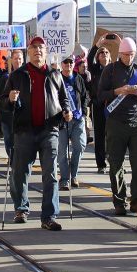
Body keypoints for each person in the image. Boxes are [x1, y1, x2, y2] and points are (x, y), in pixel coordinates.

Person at [5, 36, 72, 231]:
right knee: (20, 173)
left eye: (41, 48)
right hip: (24, 130)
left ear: (46, 51)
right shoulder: (17, 75)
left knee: (50, 173)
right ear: (29, 52)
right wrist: (9, 99)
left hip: (49, 129)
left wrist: (67, 112)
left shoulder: (55, 74)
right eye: (34, 48)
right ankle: (21, 208)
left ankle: (49, 216)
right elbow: (3, 103)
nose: (38, 51)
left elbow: (64, 99)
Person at [97, 37, 137, 216]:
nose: (129, 58)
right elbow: (99, 94)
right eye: (126, 55)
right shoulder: (110, 70)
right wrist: (117, 92)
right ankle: (119, 201)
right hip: (115, 122)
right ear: (119, 53)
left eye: (132, 55)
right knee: (116, 163)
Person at [58, 55, 89, 190]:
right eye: (66, 62)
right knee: (62, 151)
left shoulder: (78, 78)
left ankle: (73, 174)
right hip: (62, 120)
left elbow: (85, 96)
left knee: (80, 146)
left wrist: (84, 110)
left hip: (77, 119)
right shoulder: (56, 78)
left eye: (71, 62)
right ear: (61, 64)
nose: (68, 65)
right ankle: (65, 179)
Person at [87, 38, 115, 173]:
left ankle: (114, 161)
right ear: (98, 57)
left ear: (110, 56)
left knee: (113, 135)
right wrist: (97, 45)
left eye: (106, 52)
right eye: (101, 53)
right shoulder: (94, 69)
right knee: (99, 136)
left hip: (112, 106)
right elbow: (89, 59)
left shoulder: (115, 69)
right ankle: (101, 164)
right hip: (98, 107)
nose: (104, 54)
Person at [0, 51, 23, 159]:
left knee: (22, 145)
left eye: (20, 58)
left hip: (22, 117)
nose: (18, 61)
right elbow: (0, 97)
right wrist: (9, 100)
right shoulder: (5, 77)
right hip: (7, 117)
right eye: (15, 59)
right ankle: (13, 162)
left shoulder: (27, 75)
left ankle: (18, 165)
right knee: (9, 143)